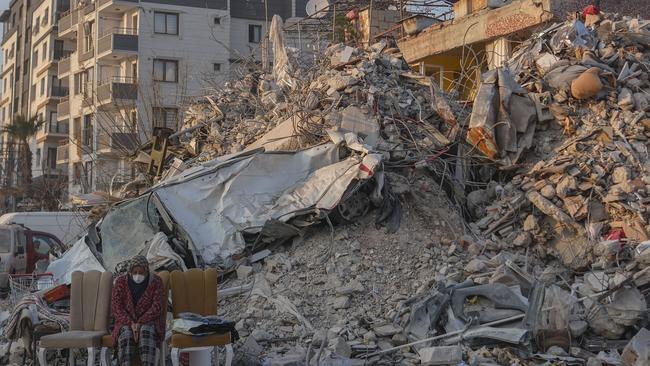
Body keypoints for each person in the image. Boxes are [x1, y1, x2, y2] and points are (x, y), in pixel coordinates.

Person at [110, 255, 165, 366]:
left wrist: (140, 323)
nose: (138, 275)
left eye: (141, 272)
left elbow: (157, 306)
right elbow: (116, 307)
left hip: (150, 321)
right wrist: (131, 323)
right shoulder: (121, 282)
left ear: (147, 271)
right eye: (135, 272)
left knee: (146, 331)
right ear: (130, 271)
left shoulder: (156, 281)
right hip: (125, 322)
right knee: (126, 333)